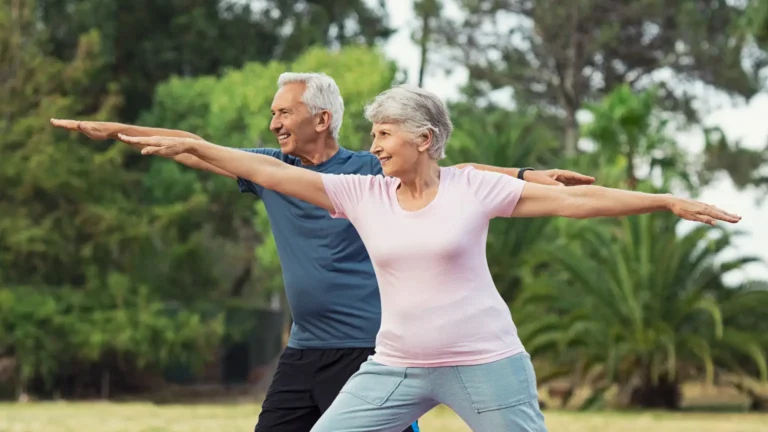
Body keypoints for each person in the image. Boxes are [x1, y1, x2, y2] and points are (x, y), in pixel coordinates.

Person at [116, 84, 740, 431]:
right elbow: (265, 170)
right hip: (395, 367)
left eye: (384, 134)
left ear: (425, 139)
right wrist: (194, 146)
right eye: (372, 134)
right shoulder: (361, 193)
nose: (373, 145)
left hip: (486, 364)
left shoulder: (474, 187)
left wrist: (663, 201)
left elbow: (577, 203)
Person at [49, 72, 596, 432]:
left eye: (283, 113)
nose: (274, 124)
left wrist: (527, 175)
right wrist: (116, 130)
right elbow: (193, 144)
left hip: (367, 349)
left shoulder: (369, 171)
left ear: (322, 119)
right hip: (305, 347)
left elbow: (456, 174)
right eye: (272, 115)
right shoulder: (273, 172)